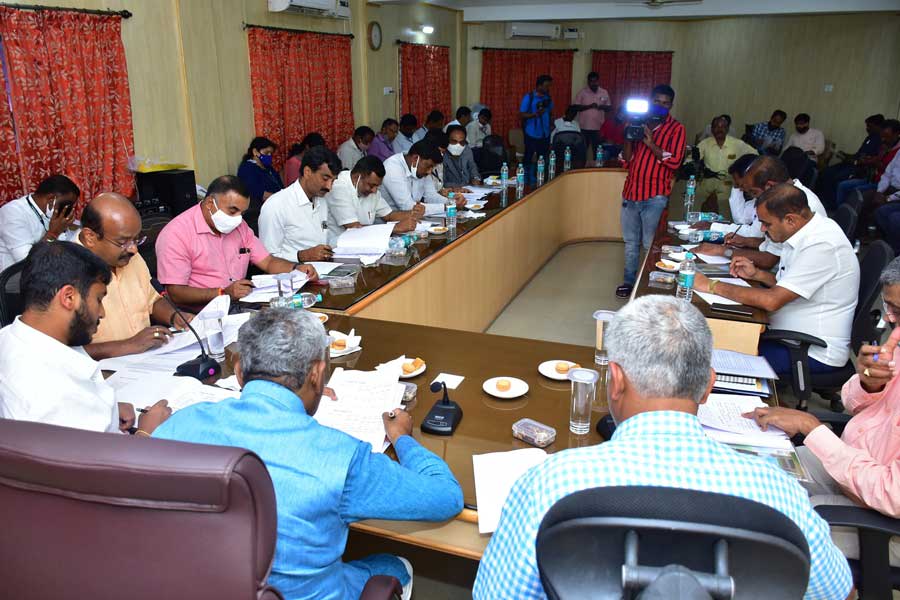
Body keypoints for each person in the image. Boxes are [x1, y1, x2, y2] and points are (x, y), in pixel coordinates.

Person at [473, 295, 853, 600]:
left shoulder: (549, 484)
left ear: (615, 381)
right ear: (707, 386)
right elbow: (839, 592)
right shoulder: (779, 494)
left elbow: (496, 594)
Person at [153, 308, 463, 600]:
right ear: (317, 374)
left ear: (238, 372)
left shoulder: (180, 425)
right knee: (393, 566)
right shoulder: (342, 457)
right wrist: (401, 438)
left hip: (205, 586)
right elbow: (446, 497)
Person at [742, 257, 900, 566]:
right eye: (889, 308)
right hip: (855, 462)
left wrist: (813, 430)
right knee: (758, 473)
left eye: (898, 311)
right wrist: (870, 384)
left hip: (884, 519)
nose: (889, 321)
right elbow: (853, 403)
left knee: (773, 529)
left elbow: (890, 494)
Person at [0, 241, 171, 434]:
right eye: (98, 299)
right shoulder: (55, 394)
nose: (102, 312)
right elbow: (105, 455)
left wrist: (109, 409)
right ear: (69, 297)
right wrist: (147, 431)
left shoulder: (10, 338)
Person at [693, 183, 859, 377]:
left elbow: (771, 300)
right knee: (710, 339)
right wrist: (757, 275)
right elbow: (789, 285)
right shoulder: (804, 232)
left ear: (790, 219)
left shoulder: (822, 245)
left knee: (709, 361)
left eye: (767, 223)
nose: (762, 229)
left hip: (808, 351)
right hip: (785, 334)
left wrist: (710, 285)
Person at [155, 175, 317, 306]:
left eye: (242, 213)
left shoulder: (240, 226)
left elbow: (268, 262)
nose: (237, 219)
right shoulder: (176, 234)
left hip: (241, 305)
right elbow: (176, 293)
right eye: (232, 211)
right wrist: (222, 293)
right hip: (200, 315)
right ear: (210, 203)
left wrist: (296, 269)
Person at [77, 193, 193, 360]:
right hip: (101, 369)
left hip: (147, 359)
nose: (134, 249)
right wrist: (129, 345)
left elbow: (152, 301)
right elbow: (60, 351)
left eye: (136, 240)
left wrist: (175, 316)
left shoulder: (131, 258)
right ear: (90, 237)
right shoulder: (64, 271)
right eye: (123, 242)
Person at [695, 155, 828, 271]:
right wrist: (746, 241)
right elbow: (774, 246)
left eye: (754, 193)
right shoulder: (783, 197)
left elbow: (769, 260)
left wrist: (724, 251)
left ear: (769, 186)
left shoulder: (797, 204)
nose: (755, 199)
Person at [615, 84, 686, 299]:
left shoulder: (677, 129)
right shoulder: (636, 123)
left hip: (655, 195)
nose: (660, 106)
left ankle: (647, 285)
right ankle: (629, 282)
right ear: (650, 101)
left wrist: (651, 143)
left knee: (650, 244)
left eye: (665, 103)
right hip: (631, 192)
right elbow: (626, 160)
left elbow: (675, 162)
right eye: (657, 102)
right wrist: (628, 138)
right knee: (630, 243)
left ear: (671, 105)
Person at [260, 146, 342, 263]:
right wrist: (301, 256)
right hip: (292, 272)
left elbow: (324, 238)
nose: (329, 187)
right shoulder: (276, 205)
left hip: (323, 268)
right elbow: (266, 258)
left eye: (333, 181)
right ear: (307, 172)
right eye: (325, 179)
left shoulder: (322, 201)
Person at [325, 156, 419, 243]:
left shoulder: (371, 189)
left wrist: (413, 213)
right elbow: (354, 228)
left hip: (365, 244)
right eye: (371, 185)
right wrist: (395, 228)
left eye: (377, 186)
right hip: (339, 246)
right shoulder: (339, 186)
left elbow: (389, 215)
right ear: (358, 177)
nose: (374, 190)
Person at [0, 174, 80, 271]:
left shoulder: (51, 212)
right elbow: (29, 262)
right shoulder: (13, 212)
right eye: (66, 205)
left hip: (48, 271)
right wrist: (53, 233)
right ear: (51, 200)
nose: (67, 209)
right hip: (17, 276)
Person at [817, 114, 884, 208]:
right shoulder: (869, 138)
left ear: (878, 126)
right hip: (852, 164)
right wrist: (845, 155)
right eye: (867, 126)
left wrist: (855, 161)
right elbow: (858, 154)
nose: (867, 129)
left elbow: (870, 160)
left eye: (870, 126)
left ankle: (832, 204)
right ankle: (824, 200)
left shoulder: (881, 141)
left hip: (861, 168)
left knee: (835, 177)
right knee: (827, 171)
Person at [696, 115, 757, 216]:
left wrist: (743, 173)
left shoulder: (737, 144)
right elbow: (691, 158)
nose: (719, 129)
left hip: (731, 183)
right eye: (716, 126)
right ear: (711, 129)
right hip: (708, 182)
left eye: (723, 127)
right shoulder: (705, 143)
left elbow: (755, 155)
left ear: (727, 129)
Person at [835, 118, 900, 208]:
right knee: (843, 186)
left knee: (856, 191)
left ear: (896, 134)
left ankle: (850, 214)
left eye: (886, 136)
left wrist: (877, 163)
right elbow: (879, 161)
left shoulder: (897, 151)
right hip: (872, 178)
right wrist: (871, 159)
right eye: (882, 136)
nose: (883, 139)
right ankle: (841, 212)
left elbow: (891, 173)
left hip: (883, 184)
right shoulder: (885, 145)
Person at [380, 140, 446, 212]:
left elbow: (431, 196)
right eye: (428, 166)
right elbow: (407, 206)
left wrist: (451, 203)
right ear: (415, 159)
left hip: (412, 217)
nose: (429, 172)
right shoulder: (392, 167)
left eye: (432, 168)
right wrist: (445, 207)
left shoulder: (421, 168)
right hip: (388, 218)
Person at [519, 75, 553, 185]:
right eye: (546, 86)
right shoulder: (529, 97)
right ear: (539, 86)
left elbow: (550, 112)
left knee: (542, 158)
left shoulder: (548, 98)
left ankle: (540, 179)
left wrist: (551, 125)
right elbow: (522, 114)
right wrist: (535, 114)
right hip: (531, 132)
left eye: (549, 86)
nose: (548, 88)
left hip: (545, 133)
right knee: (528, 156)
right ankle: (526, 180)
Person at [236, 136, 283, 207]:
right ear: (255, 152)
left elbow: (279, 185)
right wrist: (281, 199)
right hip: (260, 208)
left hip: (277, 204)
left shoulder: (269, 168)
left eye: (271, 153)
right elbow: (260, 194)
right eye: (266, 153)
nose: (269, 156)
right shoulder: (247, 169)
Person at [572, 71, 611, 155]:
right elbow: (576, 107)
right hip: (584, 128)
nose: (593, 83)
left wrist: (600, 107)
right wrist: (589, 106)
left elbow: (609, 108)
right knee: (582, 152)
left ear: (598, 81)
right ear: (588, 82)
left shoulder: (604, 92)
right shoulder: (582, 92)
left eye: (595, 81)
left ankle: (597, 163)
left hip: (599, 128)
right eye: (591, 81)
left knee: (598, 152)